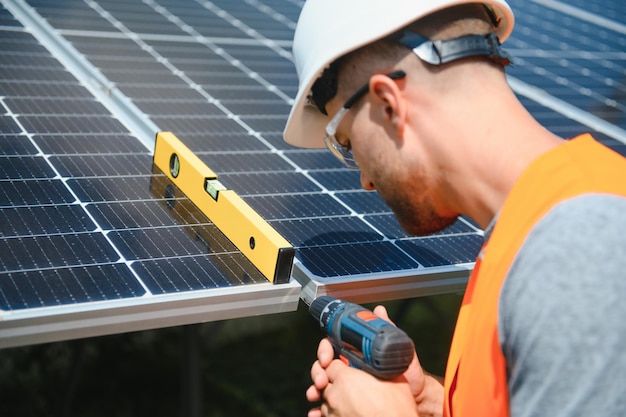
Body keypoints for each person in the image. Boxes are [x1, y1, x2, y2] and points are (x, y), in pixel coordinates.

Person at [282, 0, 626, 416]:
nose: (366, 179)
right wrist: (432, 401)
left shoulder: (579, 253)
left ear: (390, 105)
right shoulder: (546, 221)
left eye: (349, 143)